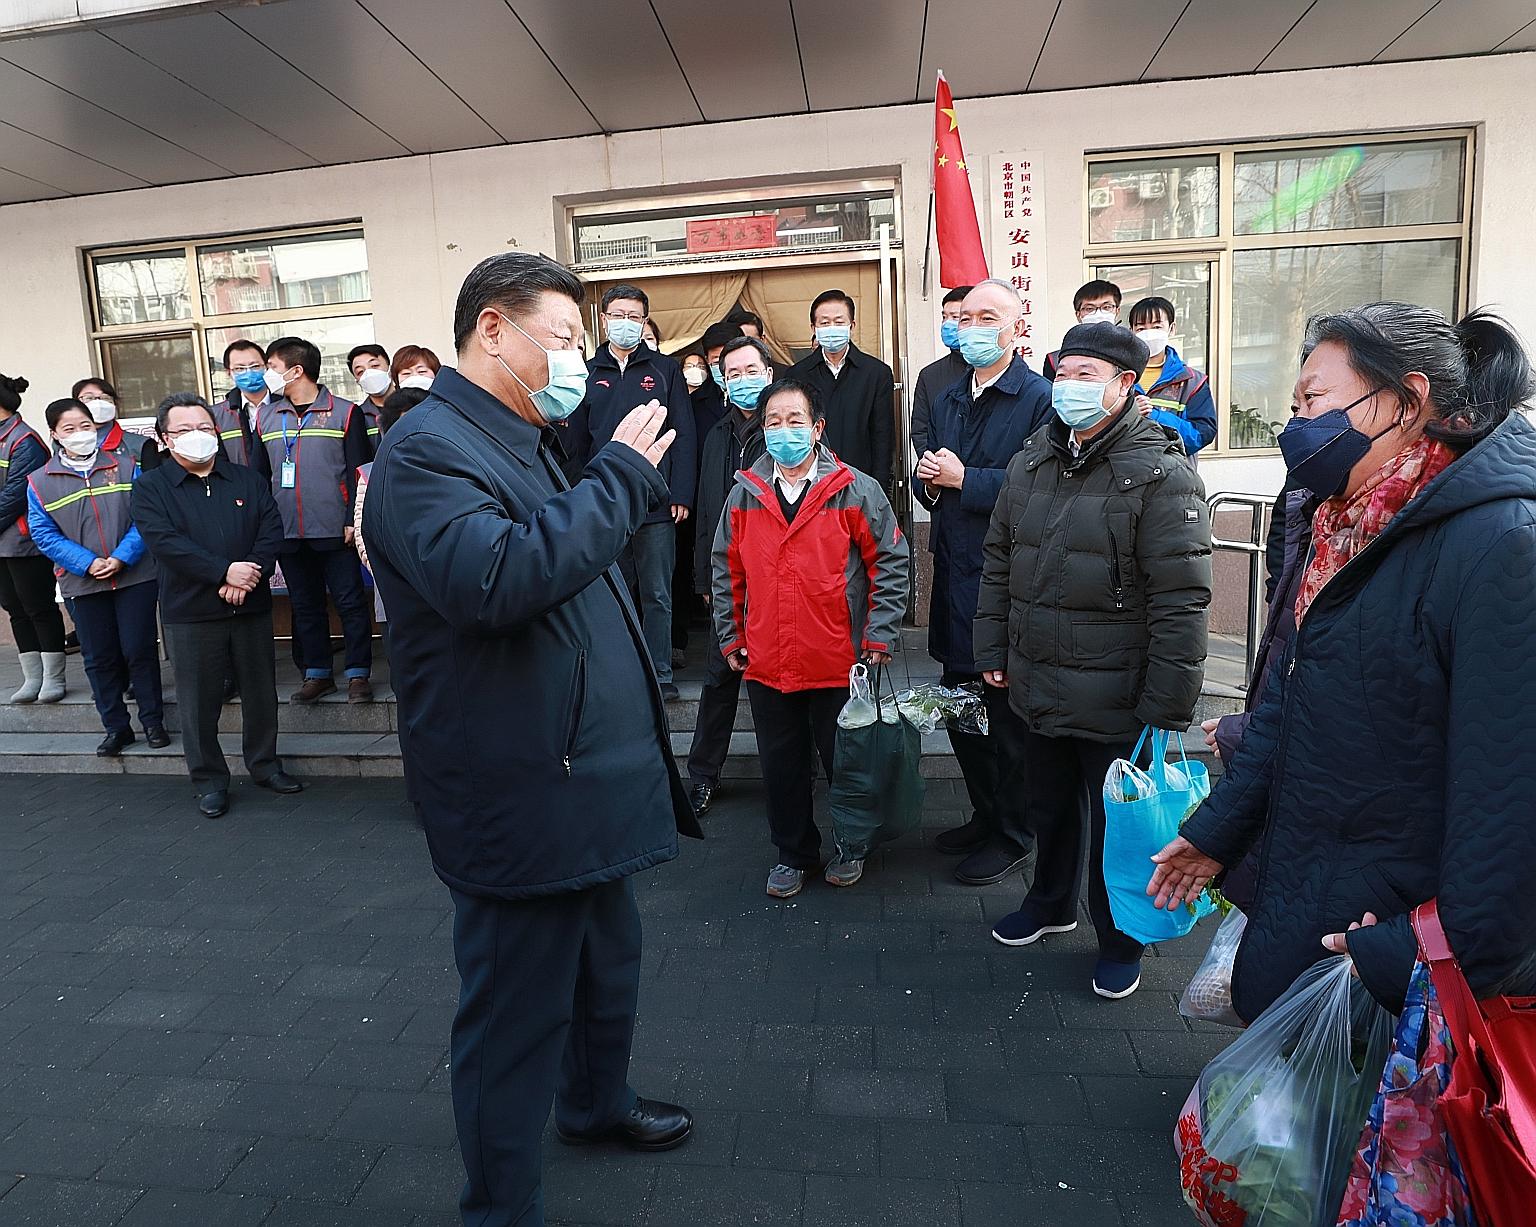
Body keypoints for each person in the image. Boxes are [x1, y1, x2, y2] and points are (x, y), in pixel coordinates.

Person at [363, 252, 699, 1226]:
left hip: (580, 779)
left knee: (607, 966)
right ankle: (500, 1205)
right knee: (514, 1018)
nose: (578, 362)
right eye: (560, 338)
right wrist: (623, 478)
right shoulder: (427, 450)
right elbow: (499, 580)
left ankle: (596, 1104)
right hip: (516, 791)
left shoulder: (523, 434)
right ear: (493, 331)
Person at [1150, 303, 1536, 1025]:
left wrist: (1407, 955)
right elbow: (1286, 702)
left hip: (1396, 955)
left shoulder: (1502, 544)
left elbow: (1510, 808)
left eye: (1314, 400)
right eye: (1293, 404)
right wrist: (1216, 832)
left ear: (1406, 400)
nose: (1294, 423)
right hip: (1318, 892)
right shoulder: (1341, 521)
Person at [974, 321, 1211, 1000]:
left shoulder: (1161, 472)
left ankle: (1119, 939)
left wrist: (1167, 704)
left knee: (1120, 823)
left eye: (1085, 375)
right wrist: (992, 647)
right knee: (1047, 806)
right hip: (1039, 678)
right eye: (1063, 373)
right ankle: (1050, 902)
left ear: (1124, 385)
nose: (1068, 387)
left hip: (1118, 692)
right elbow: (1000, 561)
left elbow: (1181, 598)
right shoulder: (1031, 461)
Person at [712, 375, 909, 897]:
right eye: (773, 421)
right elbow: (725, 568)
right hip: (768, 659)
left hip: (839, 657)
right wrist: (731, 637)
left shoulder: (856, 489)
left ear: (817, 427)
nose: (783, 430)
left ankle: (851, 845)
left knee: (845, 763)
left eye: (795, 420)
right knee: (782, 767)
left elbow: (890, 561)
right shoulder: (744, 495)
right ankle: (793, 852)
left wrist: (879, 635)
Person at [917, 280, 1054, 886]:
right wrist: (930, 481)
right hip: (953, 578)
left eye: (987, 316)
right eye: (964, 317)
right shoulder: (948, 397)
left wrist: (964, 478)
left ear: (1014, 327)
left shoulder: (1039, 400)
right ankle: (983, 812)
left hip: (1003, 586)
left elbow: (1041, 491)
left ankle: (1015, 832)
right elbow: (934, 479)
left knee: (1005, 724)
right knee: (961, 711)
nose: (972, 327)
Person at [132, 394, 301, 818]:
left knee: (261, 694)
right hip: (192, 611)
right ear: (163, 438)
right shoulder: (151, 487)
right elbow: (166, 544)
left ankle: (264, 764)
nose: (196, 437)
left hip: (251, 604)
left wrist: (248, 575)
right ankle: (209, 780)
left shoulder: (245, 478)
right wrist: (225, 572)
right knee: (198, 701)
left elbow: (270, 530)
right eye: (183, 430)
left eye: (204, 428)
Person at [565, 285, 696, 701]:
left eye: (635, 317)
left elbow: (684, 434)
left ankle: (659, 673)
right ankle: (618, 672)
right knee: (611, 592)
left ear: (644, 321)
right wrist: (581, 494)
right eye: (619, 315)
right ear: (603, 320)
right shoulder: (586, 372)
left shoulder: (664, 370)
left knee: (657, 592)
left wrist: (681, 493)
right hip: (605, 503)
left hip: (656, 502)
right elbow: (576, 443)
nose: (627, 323)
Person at [27, 398, 166, 756]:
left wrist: (121, 557)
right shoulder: (40, 481)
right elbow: (43, 533)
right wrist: (87, 563)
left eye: (85, 426)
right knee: (99, 656)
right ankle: (116, 728)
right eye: (69, 429)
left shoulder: (125, 466)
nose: (79, 434)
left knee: (139, 649)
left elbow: (144, 517)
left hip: (134, 575)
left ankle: (153, 722)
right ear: (55, 434)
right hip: (82, 582)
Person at [250, 336, 376, 704]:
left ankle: (358, 673)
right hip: (286, 530)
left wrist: (355, 518)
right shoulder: (266, 416)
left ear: (296, 370)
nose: (265, 375)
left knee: (350, 601)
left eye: (271, 367)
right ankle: (317, 673)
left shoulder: (344, 412)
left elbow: (358, 471)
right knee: (304, 605)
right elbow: (259, 476)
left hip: (336, 528)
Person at [684, 335, 771, 815]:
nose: (741, 381)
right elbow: (705, 513)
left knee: (773, 686)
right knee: (719, 682)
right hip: (727, 583)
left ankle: (799, 772)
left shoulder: (782, 430)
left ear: (769, 373)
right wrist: (703, 577)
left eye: (749, 371)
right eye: (731, 373)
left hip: (774, 580)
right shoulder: (716, 434)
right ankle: (703, 777)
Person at [0, 373, 68, 704]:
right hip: (2, 543)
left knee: (37, 606)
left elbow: (15, 495)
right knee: (14, 607)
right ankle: (32, 677)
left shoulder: (24, 440)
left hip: (23, 542)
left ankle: (54, 677)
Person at [789, 290, 895, 490]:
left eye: (839, 322)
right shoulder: (797, 375)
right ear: (813, 327)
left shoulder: (876, 373)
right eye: (824, 323)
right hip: (810, 485)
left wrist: (879, 488)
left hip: (861, 483)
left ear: (851, 325)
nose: (832, 328)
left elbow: (882, 437)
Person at [354, 386, 430, 624]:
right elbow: (362, 534)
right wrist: (388, 572)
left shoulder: (455, 469)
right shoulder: (371, 474)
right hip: (394, 589)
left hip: (445, 590)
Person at [1127, 296, 1217, 456]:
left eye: (1156, 327)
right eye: (1141, 328)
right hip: (1123, 474)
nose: (1149, 334)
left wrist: (1154, 415)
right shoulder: (1118, 377)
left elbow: (1201, 435)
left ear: (1172, 328)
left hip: (1172, 475)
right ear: (1131, 332)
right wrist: (1128, 414)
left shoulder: (1192, 381)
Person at [909, 285, 973, 459]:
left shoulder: (991, 370)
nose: (947, 324)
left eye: (955, 317)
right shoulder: (930, 375)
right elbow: (920, 429)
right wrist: (934, 466)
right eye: (944, 317)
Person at [71, 377, 161, 470]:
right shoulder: (64, 445)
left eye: (105, 398)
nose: (98, 403)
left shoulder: (141, 445)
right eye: (89, 398)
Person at [1041, 280, 1122, 381]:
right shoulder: (1055, 360)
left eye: (1106, 307)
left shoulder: (1129, 354)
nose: (1099, 313)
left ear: (1117, 311)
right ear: (1078, 315)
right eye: (1089, 308)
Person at [215, 339, 265, 464]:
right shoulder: (217, 416)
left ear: (267, 367)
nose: (249, 373)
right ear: (229, 373)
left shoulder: (285, 406)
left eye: (255, 366)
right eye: (239, 368)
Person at [348, 343, 393, 439]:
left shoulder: (412, 405)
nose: (369, 373)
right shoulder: (357, 416)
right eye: (360, 371)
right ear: (358, 382)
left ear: (390, 368)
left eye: (375, 365)